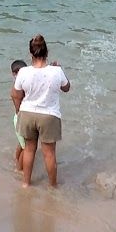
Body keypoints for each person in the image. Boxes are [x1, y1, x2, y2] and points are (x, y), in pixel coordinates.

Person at [13, 34, 69, 189]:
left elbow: (16, 94)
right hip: (49, 115)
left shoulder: (23, 72)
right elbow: (66, 87)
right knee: (49, 154)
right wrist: (58, 69)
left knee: (29, 150)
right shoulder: (56, 71)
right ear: (47, 52)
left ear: (31, 54)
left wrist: (19, 112)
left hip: (28, 113)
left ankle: (25, 184)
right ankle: (53, 186)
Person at [9, 59, 26, 169]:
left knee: (21, 143)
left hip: (18, 118)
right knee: (27, 147)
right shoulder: (18, 88)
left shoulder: (18, 86)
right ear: (14, 74)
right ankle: (20, 169)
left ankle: (16, 159)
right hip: (20, 119)